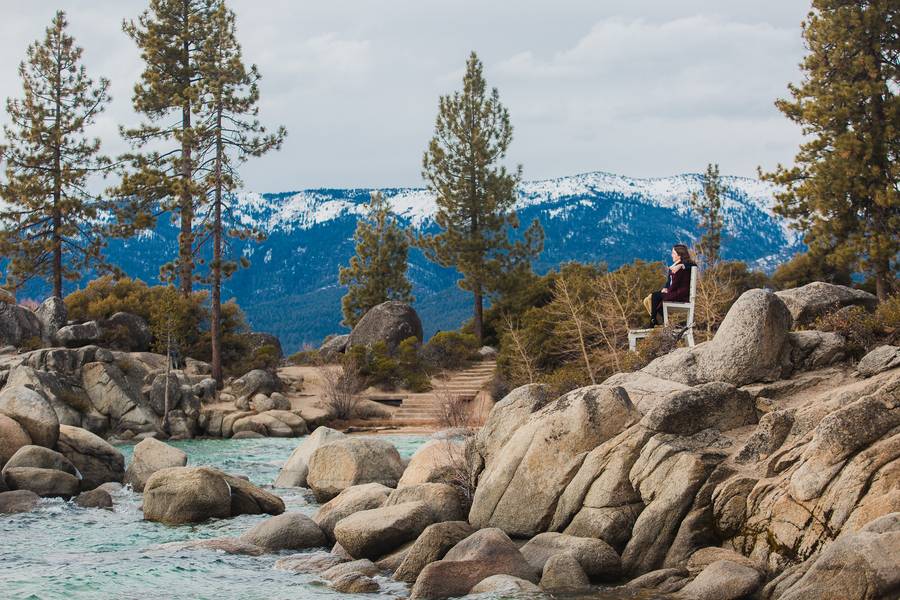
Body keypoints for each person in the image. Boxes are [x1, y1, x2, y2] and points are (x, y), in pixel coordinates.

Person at [643, 244, 696, 328]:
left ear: (679, 255)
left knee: (654, 296)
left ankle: (653, 321)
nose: (671, 255)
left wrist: (682, 265)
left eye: (673, 253)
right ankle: (660, 321)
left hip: (679, 294)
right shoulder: (674, 266)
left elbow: (694, 266)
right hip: (673, 291)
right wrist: (665, 288)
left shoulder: (686, 265)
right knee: (647, 300)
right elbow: (669, 281)